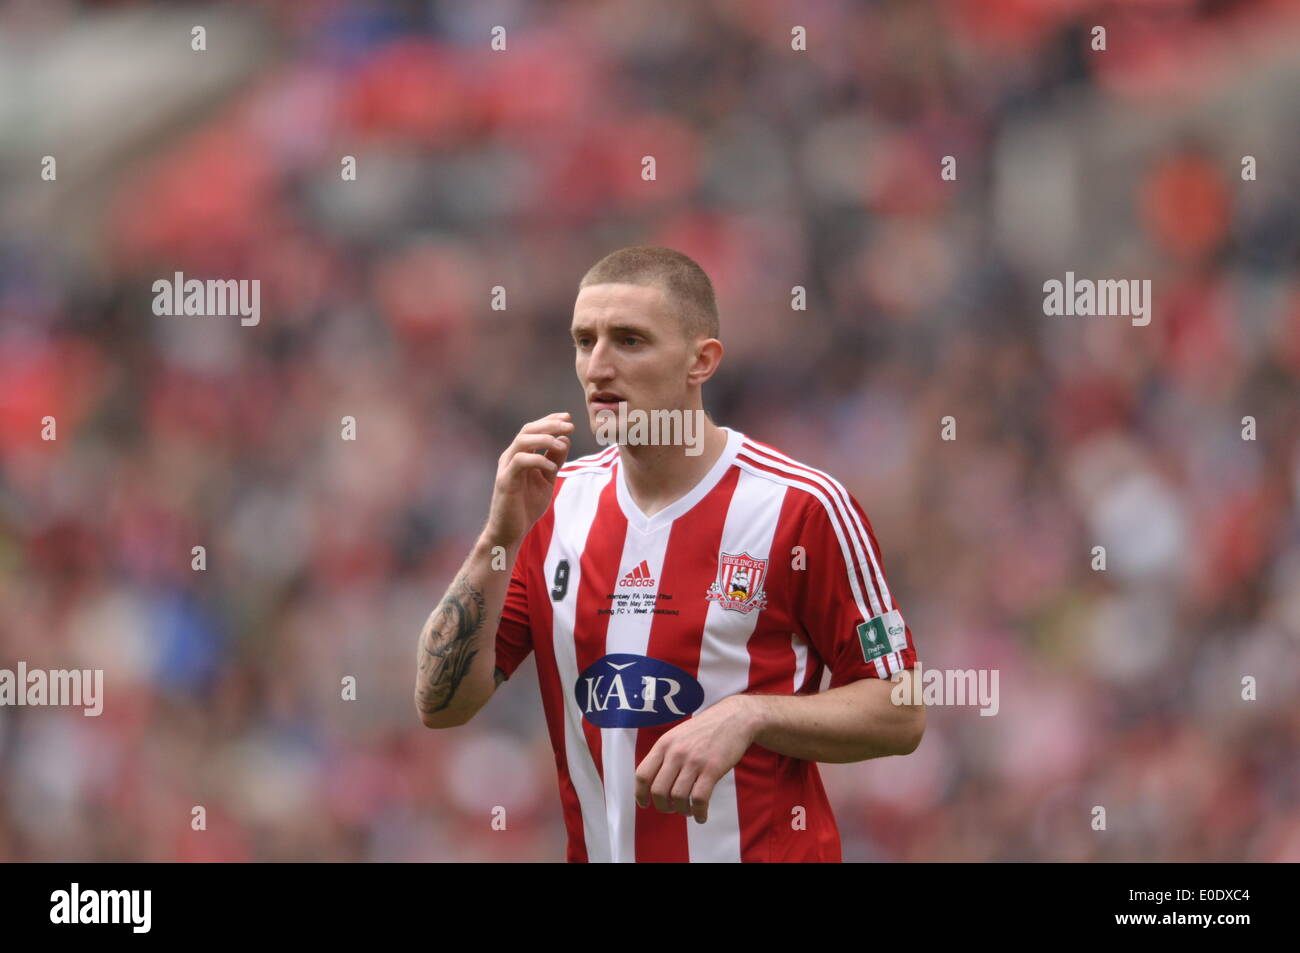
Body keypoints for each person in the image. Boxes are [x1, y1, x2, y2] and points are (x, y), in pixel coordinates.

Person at [415, 245, 924, 862]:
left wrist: (750, 716)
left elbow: (900, 709)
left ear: (700, 361)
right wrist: (496, 540)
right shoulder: (550, 507)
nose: (598, 367)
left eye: (629, 341)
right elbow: (440, 704)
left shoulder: (801, 508)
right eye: (584, 341)